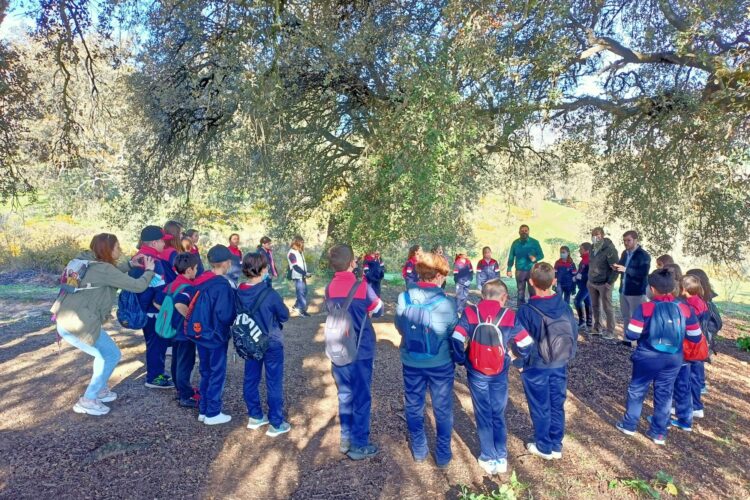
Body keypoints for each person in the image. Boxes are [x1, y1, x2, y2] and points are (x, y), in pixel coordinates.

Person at [51, 234, 156, 415]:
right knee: (111, 354)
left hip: (64, 320)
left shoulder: (83, 261)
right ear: (108, 249)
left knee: (102, 354)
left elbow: (106, 275)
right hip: (78, 323)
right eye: (117, 247)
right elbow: (137, 286)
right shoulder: (104, 269)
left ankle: (98, 389)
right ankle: (88, 399)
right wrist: (149, 270)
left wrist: (130, 265)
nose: (120, 250)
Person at [451, 279, 533, 475]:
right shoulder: (509, 315)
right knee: (498, 412)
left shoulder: (471, 312)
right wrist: (514, 356)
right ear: (503, 297)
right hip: (499, 372)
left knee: (482, 412)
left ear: (482, 295)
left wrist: (462, 359)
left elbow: (456, 337)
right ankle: (501, 456)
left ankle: (487, 456)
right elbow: (527, 344)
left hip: (476, 371)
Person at [615, 268, 702, 445]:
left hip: (647, 357)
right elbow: (696, 336)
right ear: (672, 288)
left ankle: (629, 425)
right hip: (674, 359)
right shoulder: (684, 308)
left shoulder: (646, 307)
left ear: (652, 289)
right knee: (665, 392)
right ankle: (659, 433)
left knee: (637, 390)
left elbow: (631, 334)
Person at [395, 252, 457, 468]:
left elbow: (400, 326)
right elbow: (452, 333)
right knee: (442, 407)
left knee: (413, 404)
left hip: (411, 360)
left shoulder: (404, 298)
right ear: (439, 276)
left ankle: (420, 448)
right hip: (440, 363)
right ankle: (442, 453)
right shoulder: (448, 303)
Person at [515, 262, 578, 460]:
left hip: (536, 365)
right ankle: (556, 445)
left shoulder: (526, 310)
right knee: (556, 404)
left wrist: (519, 364)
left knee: (540, 405)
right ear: (554, 281)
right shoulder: (564, 306)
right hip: (559, 363)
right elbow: (574, 333)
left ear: (531, 282)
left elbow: (520, 342)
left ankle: (543, 446)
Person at [326, 244, 384, 460]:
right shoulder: (361, 286)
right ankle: (359, 444)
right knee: (362, 396)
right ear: (352, 263)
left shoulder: (329, 287)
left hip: (338, 347)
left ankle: (345, 438)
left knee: (344, 394)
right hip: (361, 349)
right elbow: (378, 309)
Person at [238, 252, 292, 437]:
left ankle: (255, 415)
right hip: (271, 342)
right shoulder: (270, 294)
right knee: (273, 382)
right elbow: (284, 315)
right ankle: (276, 423)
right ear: (263, 269)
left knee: (250, 378)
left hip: (249, 341)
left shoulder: (239, 291)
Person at [193, 245, 238, 425]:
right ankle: (213, 412)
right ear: (226, 263)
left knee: (205, 371)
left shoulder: (201, 279)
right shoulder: (222, 284)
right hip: (216, 335)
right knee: (217, 371)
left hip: (200, 333)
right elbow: (225, 314)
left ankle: (203, 409)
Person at [154, 252, 200, 408]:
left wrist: (169, 315)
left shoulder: (172, 284)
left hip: (172, 329)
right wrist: (190, 318)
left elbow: (157, 302)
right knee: (186, 363)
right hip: (184, 332)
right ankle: (186, 396)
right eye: (195, 268)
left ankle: (181, 390)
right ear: (189, 270)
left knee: (175, 361)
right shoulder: (188, 287)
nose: (196, 271)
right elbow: (180, 304)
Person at [130, 225, 174, 389]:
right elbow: (159, 288)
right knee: (157, 343)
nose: (165, 244)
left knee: (154, 343)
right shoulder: (153, 260)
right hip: (152, 310)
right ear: (155, 242)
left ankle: (156, 372)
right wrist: (162, 305)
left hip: (144, 308)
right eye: (163, 241)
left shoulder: (138, 257)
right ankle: (154, 377)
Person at [670, 274, 709, 432]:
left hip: (690, 346)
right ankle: (696, 407)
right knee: (695, 377)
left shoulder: (690, 305)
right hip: (699, 345)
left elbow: (687, 325)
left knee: (686, 378)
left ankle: (688, 407)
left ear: (684, 289)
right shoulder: (701, 301)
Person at [685, 268, 720, 406]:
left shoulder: (699, 301)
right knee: (697, 363)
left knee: (695, 363)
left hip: (698, 337)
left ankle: (696, 393)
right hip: (702, 338)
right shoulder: (703, 298)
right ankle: (699, 386)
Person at [613, 231, 651, 341]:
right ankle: (627, 340)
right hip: (623, 290)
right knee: (626, 317)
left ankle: (639, 341)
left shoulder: (644, 255)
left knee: (638, 318)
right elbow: (621, 266)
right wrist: (616, 268)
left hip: (636, 292)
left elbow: (643, 273)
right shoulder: (625, 253)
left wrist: (626, 270)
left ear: (635, 240)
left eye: (628, 240)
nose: (626, 243)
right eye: (624, 241)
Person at [587, 227, 619, 339]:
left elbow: (616, 268)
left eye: (597, 234)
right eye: (593, 234)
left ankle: (610, 331)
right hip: (592, 282)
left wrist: (610, 282)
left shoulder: (610, 249)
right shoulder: (592, 248)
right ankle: (597, 328)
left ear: (603, 235)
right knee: (595, 306)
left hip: (604, 283)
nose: (595, 237)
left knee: (607, 308)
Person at [506, 225, 544, 306]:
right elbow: (511, 256)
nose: (524, 232)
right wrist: (509, 268)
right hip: (520, 271)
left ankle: (533, 307)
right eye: (522, 230)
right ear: (519, 232)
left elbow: (541, 255)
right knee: (520, 291)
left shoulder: (535, 242)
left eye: (526, 230)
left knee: (533, 291)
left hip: (532, 270)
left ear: (528, 232)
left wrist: (535, 258)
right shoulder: (515, 243)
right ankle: (520, 308)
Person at [287, 235, 311, 316]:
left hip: (302, 276)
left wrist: (305, 273)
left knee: (304, 291)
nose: (303, 244)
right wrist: (305, 273)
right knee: (301, 293)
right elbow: (295, 266)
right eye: (301, 243)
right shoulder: (291, 253)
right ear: (296, 243)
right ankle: (301, 310)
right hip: (298, 276)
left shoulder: (299, 251)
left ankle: (296, 306)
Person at [573, 243, 592, 332]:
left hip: (587, 285)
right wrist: (576, 275)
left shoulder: (590, 260)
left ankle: (582, 321)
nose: (579, 250)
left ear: (587, 250)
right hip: (582, 284)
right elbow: (581, 270)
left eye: (581, 249)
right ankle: (589, 322)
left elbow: (591, 274)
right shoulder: (583, 260)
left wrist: (581, 276)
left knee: (577, 301)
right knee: (587, 301)